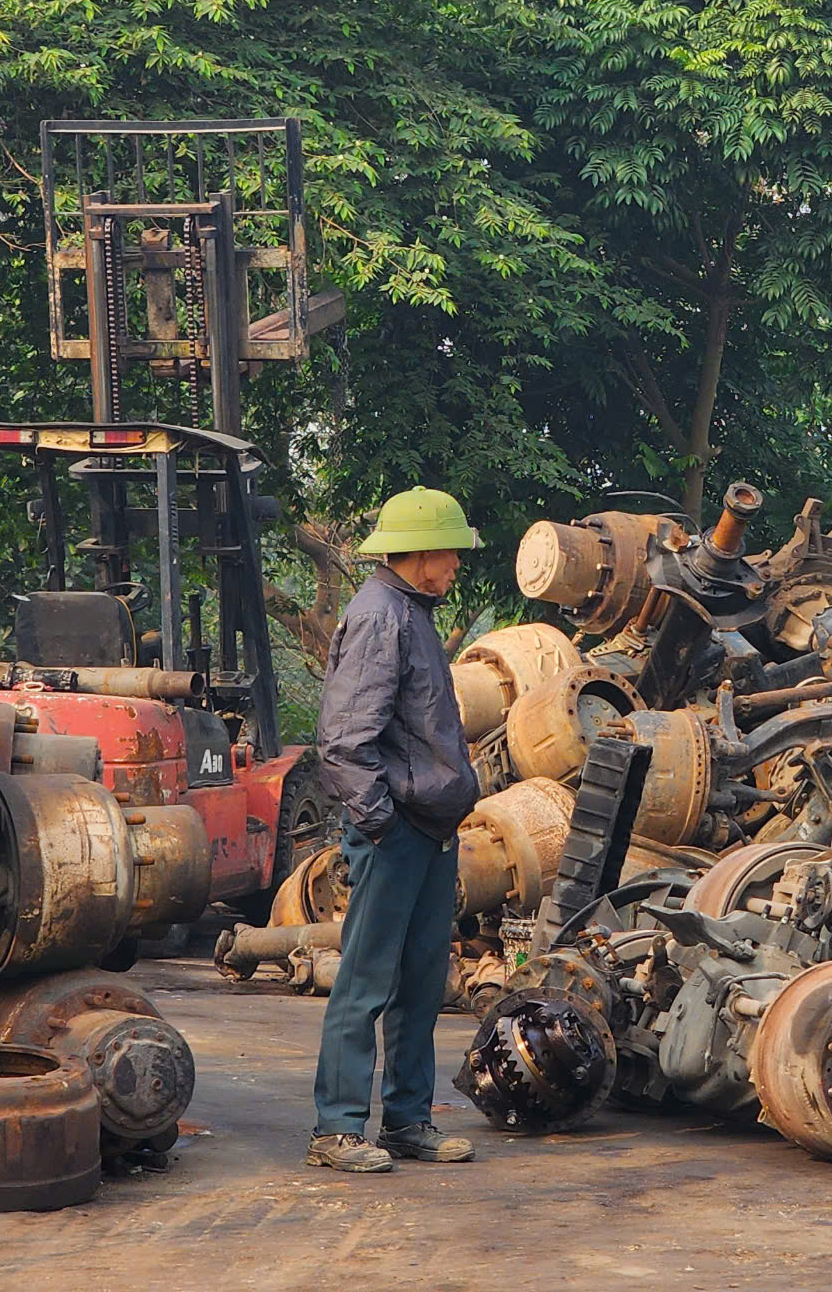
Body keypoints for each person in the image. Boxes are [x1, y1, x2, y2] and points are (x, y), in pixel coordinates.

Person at [306, 486, 487, 1174]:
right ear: (418, 553)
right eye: (451, 554)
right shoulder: (381, 617)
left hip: (428, 831)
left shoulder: (411, 611)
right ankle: (337, 1129)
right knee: (368, 980)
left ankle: (409, 1121)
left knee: (420, 982)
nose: (457, 567)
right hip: (396, 832)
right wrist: (382, 826)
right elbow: (345, 742)